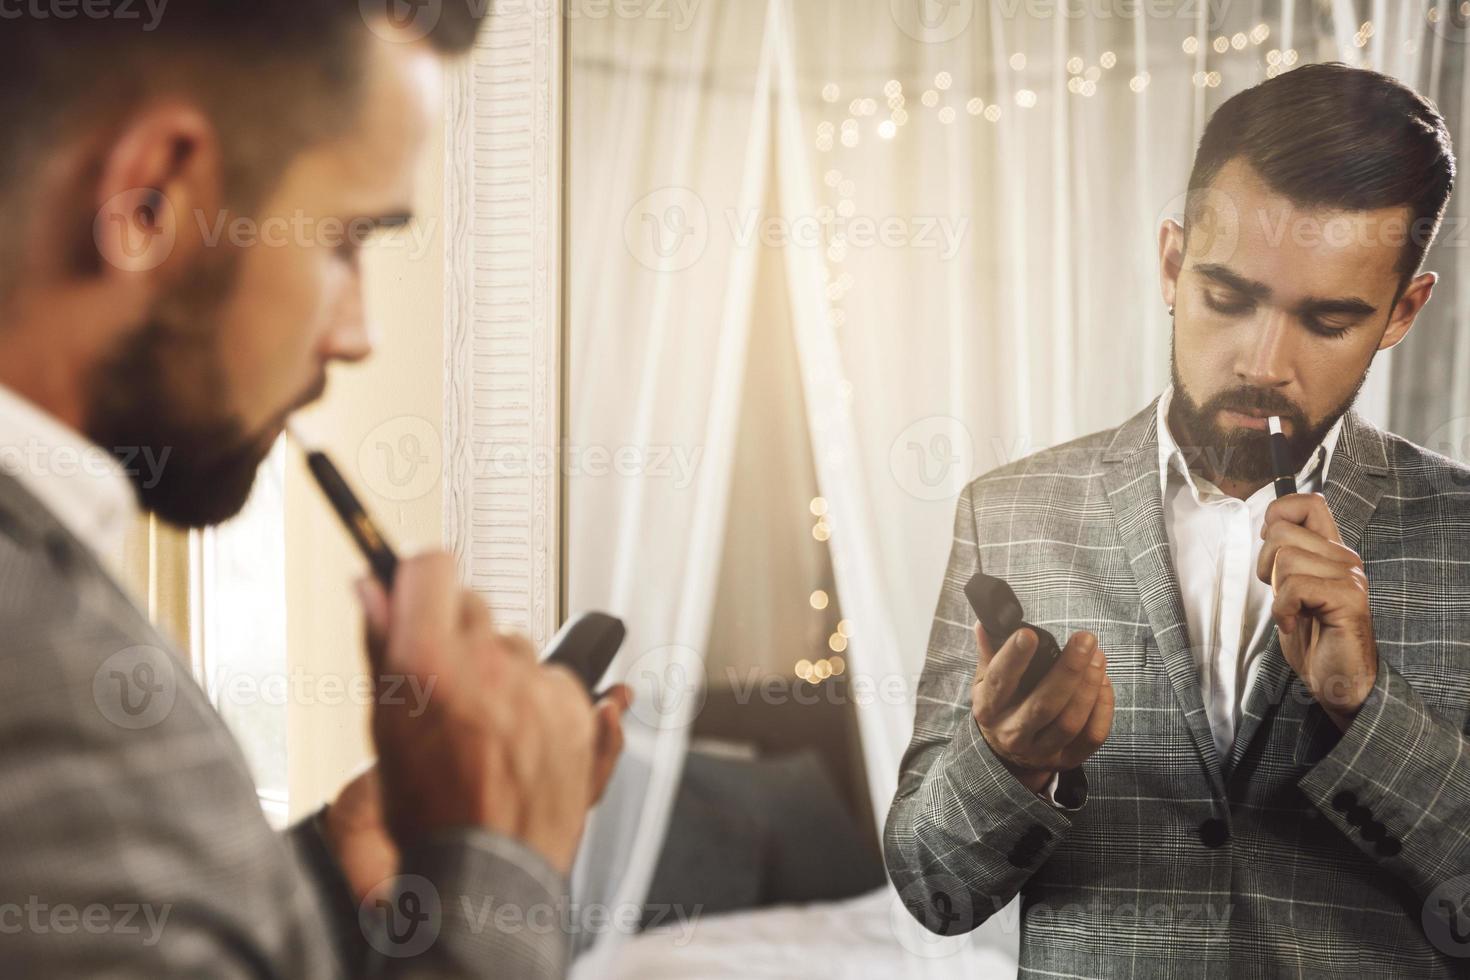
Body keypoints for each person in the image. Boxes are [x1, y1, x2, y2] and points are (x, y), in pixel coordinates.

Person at [0, 4, 627, 977]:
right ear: (149, 197)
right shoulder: (35, 685)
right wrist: (495, 863)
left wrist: (332, 872)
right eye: (346, 240)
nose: (356, 333)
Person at [886, 62, 1470, 976]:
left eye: (1328, 319)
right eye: (1228, 299)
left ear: (1402, 312)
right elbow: (934, 888)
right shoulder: (1012, 511)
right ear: (1170, 262)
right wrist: (1005, 762)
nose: (1263, 362)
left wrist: (1365, 709)